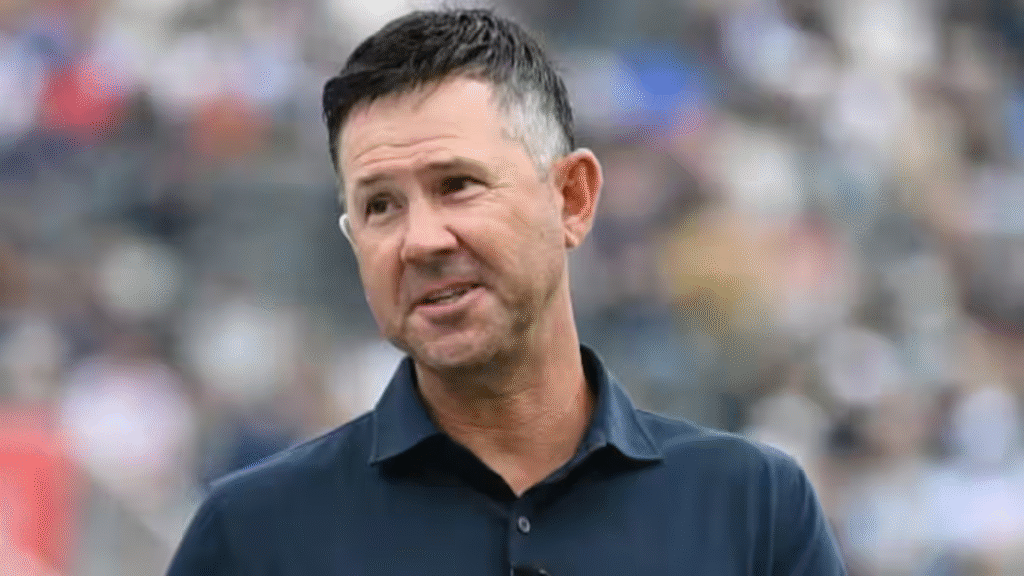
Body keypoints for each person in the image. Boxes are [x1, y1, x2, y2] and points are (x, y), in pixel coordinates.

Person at [166, 9, 847, 575]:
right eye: (380, 206)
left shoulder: (751, 509)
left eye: (457, 185)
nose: (420, 241)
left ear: (572, 198)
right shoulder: (253, 535)